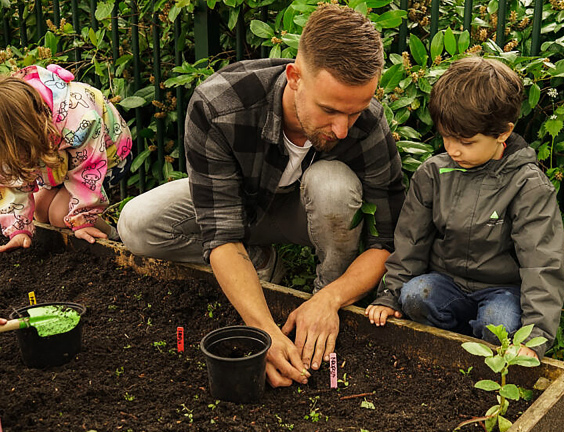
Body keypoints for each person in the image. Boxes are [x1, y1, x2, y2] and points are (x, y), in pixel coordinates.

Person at [117, 4, 405, 387]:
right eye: (330, 110)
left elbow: (386, 241)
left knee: (333, 185)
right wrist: (263, 330)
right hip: (239, 203)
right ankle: (260, 267)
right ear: (295, 77)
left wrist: (331, 300)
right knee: (136, 224)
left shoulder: (367, 120)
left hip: (305, 213)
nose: (341, 129)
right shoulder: (220, 105)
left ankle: (316, 308)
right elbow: (221, 234)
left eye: (354, 113)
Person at [364, 57, 564, 360]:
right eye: (446, 137)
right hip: (446, 284)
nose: (453, 149)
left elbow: (542, 264)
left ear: (503, 133)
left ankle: (482, 362)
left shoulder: (528, 186)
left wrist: (535, 337)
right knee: (416, 296)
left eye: (466, 141)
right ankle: (444, 352)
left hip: (503, 292)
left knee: (497, 323)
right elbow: (410, 244)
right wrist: (389, 296)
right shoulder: (433, 173)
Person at [0, 64, 132, 253]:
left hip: (107, 156)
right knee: (40, 211)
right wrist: (18, 229)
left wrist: (83, 220)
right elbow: (12, 178)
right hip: (60, 160)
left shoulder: (79, 118)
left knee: (60, 216)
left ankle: (115, 238)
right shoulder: (12, 127)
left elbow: (90, 167)